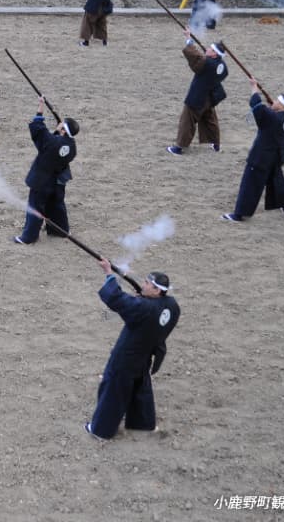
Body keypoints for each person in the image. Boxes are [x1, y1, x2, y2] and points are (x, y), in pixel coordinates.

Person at [85, 259, 179, 440]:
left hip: (126, 356)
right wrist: (143, 298)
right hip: (145, 354)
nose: (143, 284)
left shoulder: (143, 308)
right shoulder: (172, 306)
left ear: (157, 290)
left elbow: (116, 298)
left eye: (148, 284)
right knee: (139, 386)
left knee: (114, 389)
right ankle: (141, 422)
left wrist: (108, 273)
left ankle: (100, 430)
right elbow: (151, 310)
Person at [222, 80, 284, 222]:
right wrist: (272, 108)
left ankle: (239, 214)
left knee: (250, 184)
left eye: (277, 101)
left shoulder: (271, 117)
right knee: (276, 179)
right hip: (276, 156)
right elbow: (271, 115)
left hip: (261, 157)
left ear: (281, 106)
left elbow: (256, 105)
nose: (274, 101)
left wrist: (254, 87)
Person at [13, 97, 78, 245]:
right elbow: (58, 143)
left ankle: (29, 237)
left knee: (35, 207)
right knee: (56, 205)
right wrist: (58, 131)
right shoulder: (72, 147)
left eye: (61, 125)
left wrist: (40, 108)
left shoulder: (51, 142)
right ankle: (60, 230)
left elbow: (38, 129)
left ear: (63, 130)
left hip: (41, 182)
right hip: (58, 182)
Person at [167, 31, 228, 156]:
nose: (208, 49)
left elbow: (196, 58)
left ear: (215, 54)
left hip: (197, 97)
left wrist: (189, 40)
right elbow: (203, 58)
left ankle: (179, 148)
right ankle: (216, 145)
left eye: (211, 49)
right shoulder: (222, 66)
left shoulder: (207, 63)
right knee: (210, 120)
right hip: (209, 98)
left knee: (187, 121)